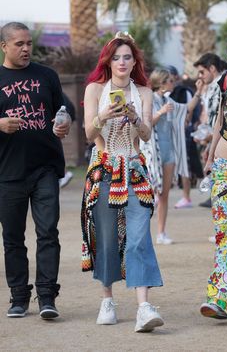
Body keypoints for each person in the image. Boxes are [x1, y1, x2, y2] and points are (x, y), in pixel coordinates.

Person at [81, 31, 164, 332]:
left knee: (140, 235)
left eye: (127, 57)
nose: (121, 62)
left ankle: (143, 307)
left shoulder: (144, 93)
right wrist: (103, 115)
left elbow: (145, 136)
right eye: (116, 57)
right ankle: (107, 299)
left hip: (134, 170)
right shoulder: (94, 90)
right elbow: (90, 136)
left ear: (134, 61)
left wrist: (136, 118)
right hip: (103, 170)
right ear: (108, 60)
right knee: (105, 236)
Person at [0, 22, 70, 319]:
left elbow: (63, 111)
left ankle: (46, 297)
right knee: (13, 238)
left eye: (28, 43)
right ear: (4, 46)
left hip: (45, 168)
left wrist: (63, 122)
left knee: (48, 233)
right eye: (19, 44)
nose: (26, 48)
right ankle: (18, 298)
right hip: (8, 172)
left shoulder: (47, 75)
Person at [141, 69, 204, 244]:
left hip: (169, 153)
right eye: (170, 80)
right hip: (152, 153)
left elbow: (187, 109)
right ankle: (143, 234)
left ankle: (161, 233)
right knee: (149, 194)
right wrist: (160, 112)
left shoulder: (168, 100)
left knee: (164, 194)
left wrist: (198, 92)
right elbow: (144, 125)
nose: (173, 83)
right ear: (161, 82)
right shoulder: (150, 100)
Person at [200, 41, 227, 320]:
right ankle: (219, 300)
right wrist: (211, 157)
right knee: (224, 235)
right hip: (224, 167)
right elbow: (218, 123)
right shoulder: (226, 82)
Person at [166, 65, 203, 209]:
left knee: (184, 165)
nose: (168, 80)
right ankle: (158, 195)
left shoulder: (183, 91)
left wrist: (186, 122)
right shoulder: (161, 94)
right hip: (165, 134)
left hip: (182, 133)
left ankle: (186, 197)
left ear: (176, 77)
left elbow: (189, 110)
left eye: (169, 76)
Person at [193, 53, 225, 209]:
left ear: (212, 68)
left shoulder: (222, 86)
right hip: (215, 142)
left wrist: (211, 139)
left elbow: (224, 119)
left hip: (223, 143)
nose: (200, 76)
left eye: (202, 72)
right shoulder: (212, 87)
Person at [59, 92, 75, 188]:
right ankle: (62, 174)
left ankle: (64, 174)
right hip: (67, 114)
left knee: (54, 146)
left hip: (65, 115)